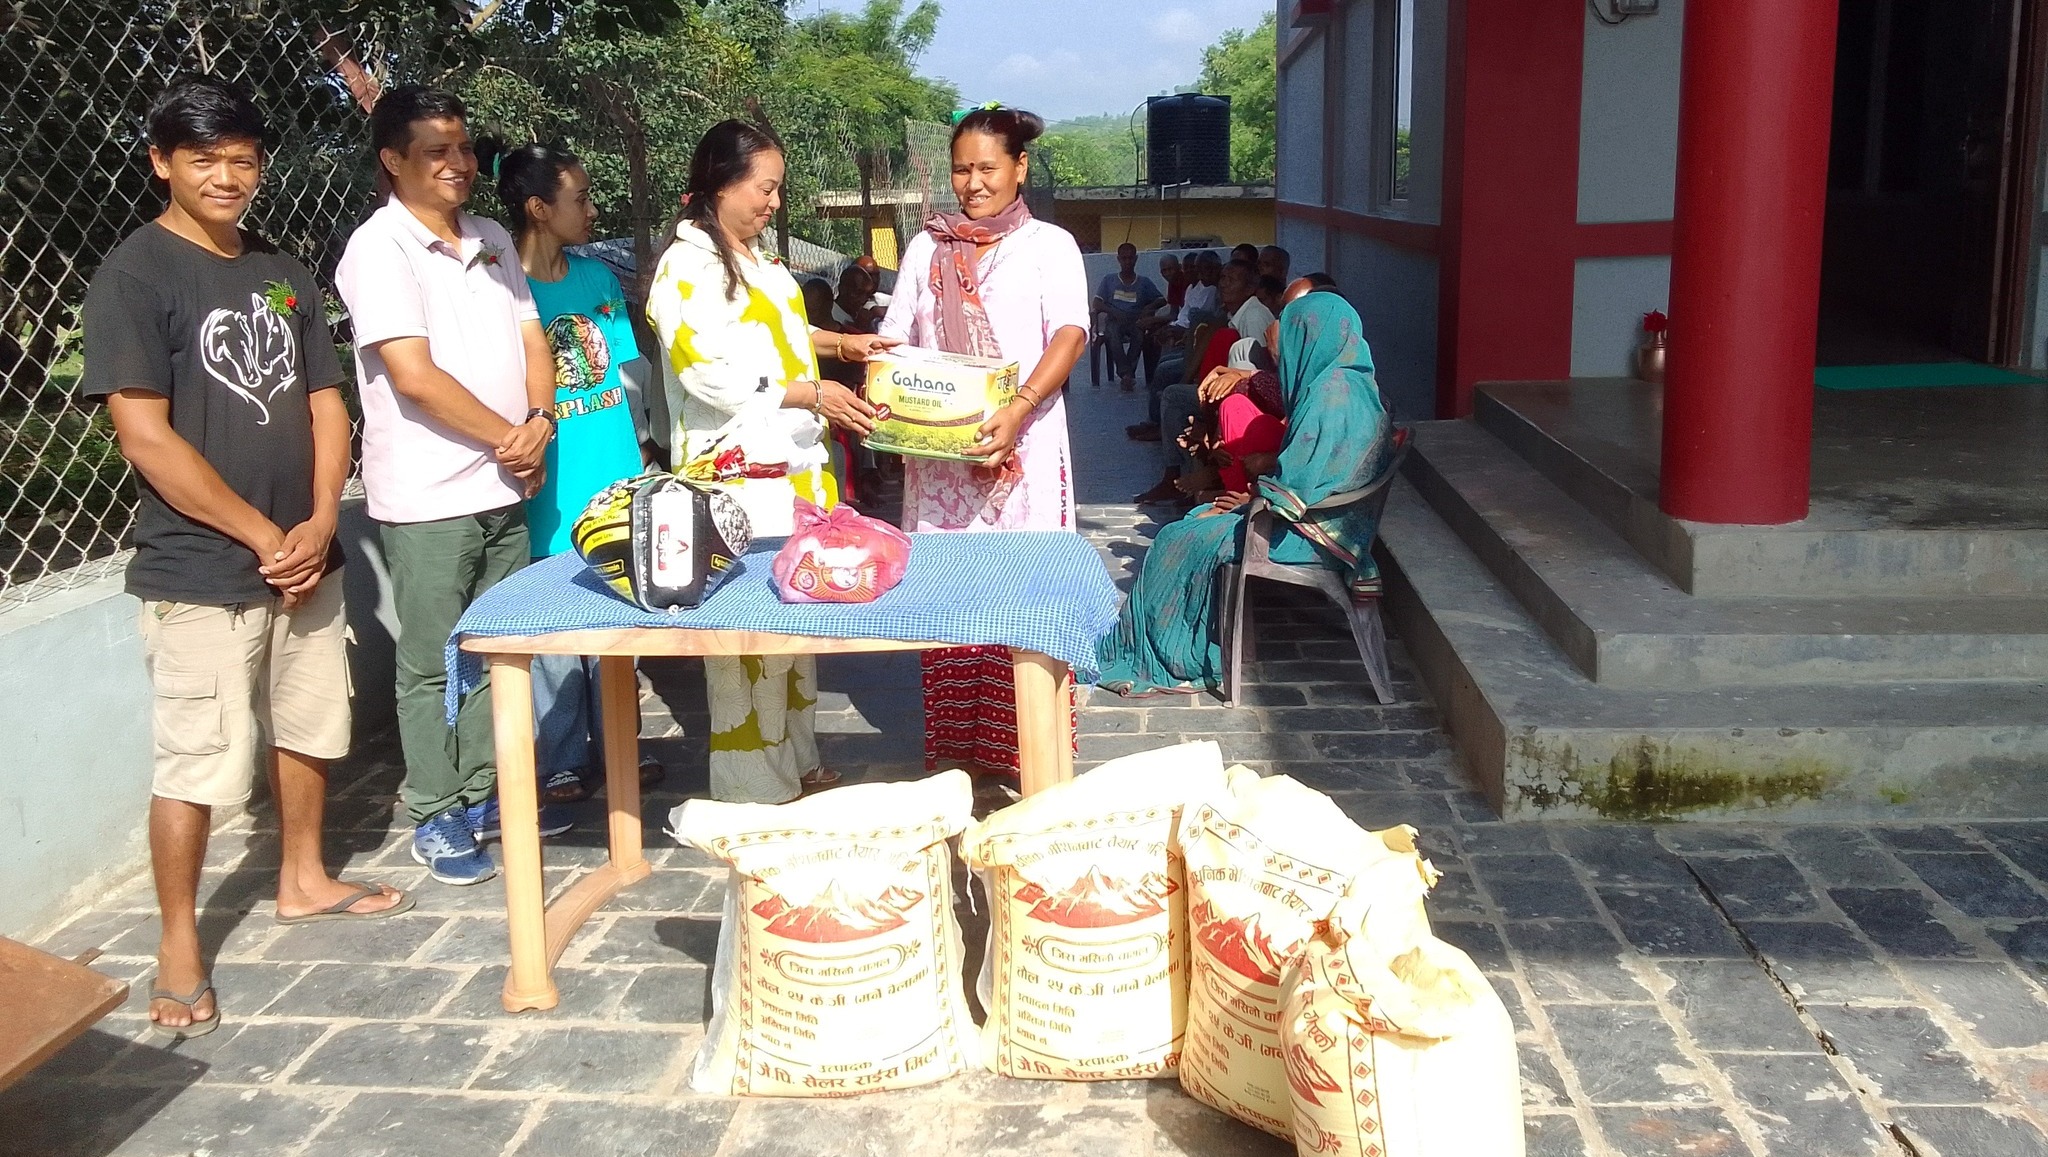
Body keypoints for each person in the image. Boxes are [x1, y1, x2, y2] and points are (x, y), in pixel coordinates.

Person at [81, 76, 413, 1038]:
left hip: (306, 555)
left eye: (243, 159)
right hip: (201, 571)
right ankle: (178, 941)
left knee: (307, 725)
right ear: (161, 163)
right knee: (197, 760)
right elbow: (144, 435)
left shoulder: (283, 269)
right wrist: (264, 536)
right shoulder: (135, 275)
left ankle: (303, 876)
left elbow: (325, 403)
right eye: (204, 159)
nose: (228, 178)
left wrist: (317, 522)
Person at [335, 86, 568, 887]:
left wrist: (539, 418)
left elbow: (531, 335)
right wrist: (510, 437)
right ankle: (436, 809)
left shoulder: (494, 236)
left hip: (506, 483)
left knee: (495, 650)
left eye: (464, 148)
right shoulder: (380, 249)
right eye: (438, 151)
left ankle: (488, 792)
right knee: (436, 662)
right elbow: (413, 375)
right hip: (431, 499)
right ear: (393, 161)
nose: (460, 163)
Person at [647, 119, 895, 804]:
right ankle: (754, 788)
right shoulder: (687, 269)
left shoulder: (758, 260)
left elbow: (783, 331)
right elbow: (713, 373)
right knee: (745, 642)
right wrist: (814, 391)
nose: (774, 203)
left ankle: (796, 757)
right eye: (765, 188)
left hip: (792, 477)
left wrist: (843, 348)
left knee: (790, 628)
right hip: (736, 485)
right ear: (721, 184)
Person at [878, 104, 1089, 776]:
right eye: (961, 169)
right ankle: (959, 757)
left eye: (987, 168)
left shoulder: (1048, 246)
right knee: (950, 597)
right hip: (942, 466)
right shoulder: (926, 247)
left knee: (1025, 594)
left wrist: (1020, 408)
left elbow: (1069, 335)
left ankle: (1031, 751)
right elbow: (897, 338)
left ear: (1019, 167)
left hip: (1024, 452)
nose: (972, 182)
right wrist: (891, 398)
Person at [481, 137, 668, 806]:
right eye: (579, 198)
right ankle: (559, 754)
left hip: (614, 471)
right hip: (550, 484)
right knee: (558, 623)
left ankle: (621, 743)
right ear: (538, 208)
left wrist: (646, 455)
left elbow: (625, 374)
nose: (591, 209)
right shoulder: (503, 289)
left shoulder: (597, 281)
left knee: (617, 621)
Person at [1097, 292, 1393, 696]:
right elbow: (1312, 474)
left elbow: (1297, 490)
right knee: (1195, 521)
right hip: (1329, 524)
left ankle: (1175, 657)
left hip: (1307, 535)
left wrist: (1253, 505)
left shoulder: (1330, 397)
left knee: (1175, 537)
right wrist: (1254, 499)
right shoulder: (1353, 384)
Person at [1093, 242, 1162, 391]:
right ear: (1118, 259)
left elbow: (1161, 300)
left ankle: (1126, 375)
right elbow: (1096, 303)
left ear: (1136, 259)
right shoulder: (1109, 280)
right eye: (1124, 258)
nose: (1127, 262)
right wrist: (1113, 311)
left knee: (1139, 335)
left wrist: (1149, 307)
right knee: (1113, 334)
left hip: (1135, 320)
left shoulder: (1144, 282)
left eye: (1130, 258)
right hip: (1115, 320)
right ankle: (1126, 374)